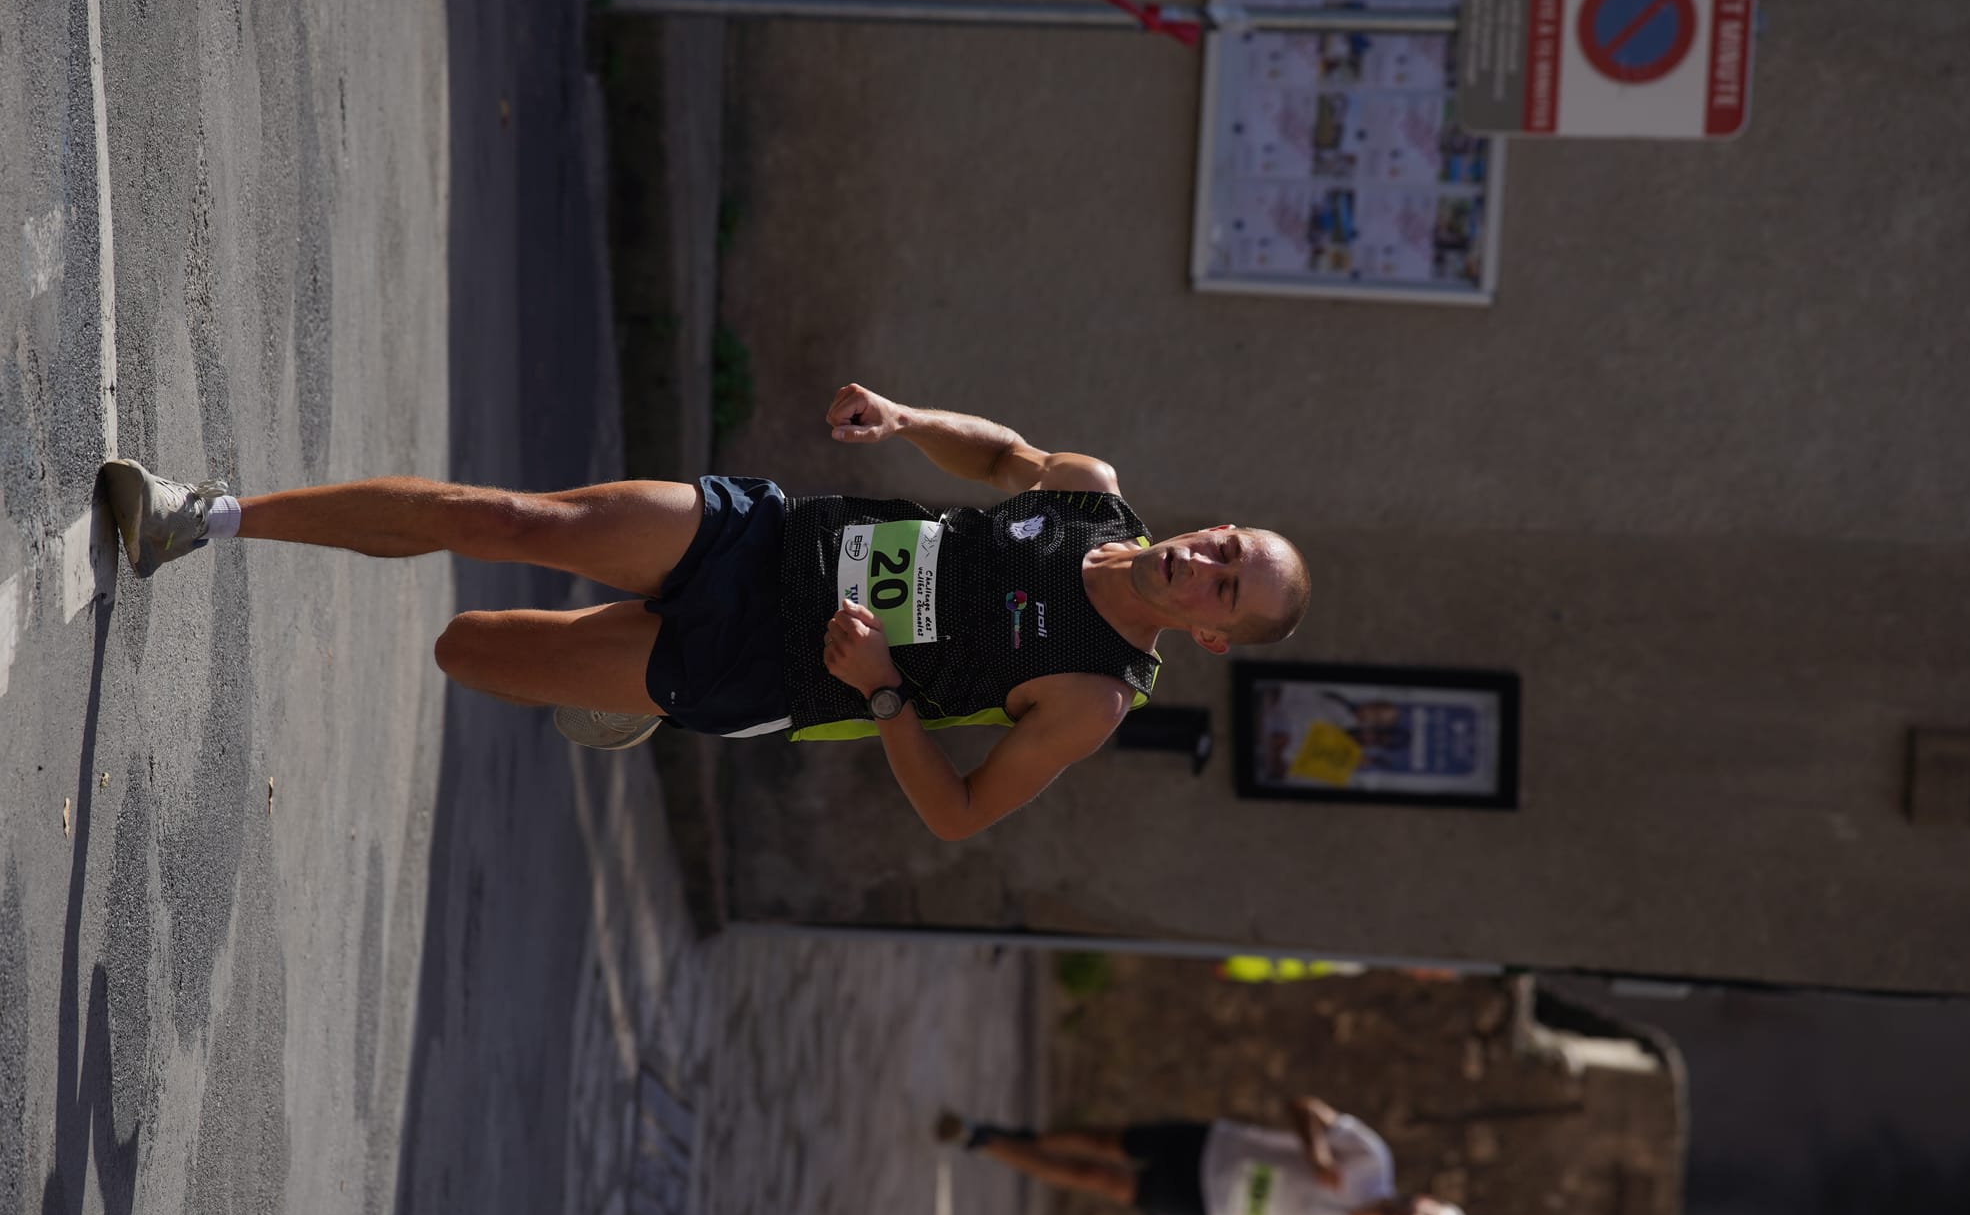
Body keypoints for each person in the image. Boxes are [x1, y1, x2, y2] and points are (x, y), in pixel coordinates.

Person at [97, 383, 1310, 841]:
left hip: (770, 668)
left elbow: (959, 812)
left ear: (1209, 633)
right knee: (514, 520)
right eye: (1228, 544)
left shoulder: (1094, 694)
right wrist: (903, 421)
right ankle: (202, 517)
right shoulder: (1093, 499)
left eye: (1226, 587)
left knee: (465, 649)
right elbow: (1003, 457)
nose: (1208, 559)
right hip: (762, 537)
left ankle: (620, 704)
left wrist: (885, 689)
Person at [935, 1097, 1467, 1215]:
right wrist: (1317, 1151)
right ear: (1426, 1201)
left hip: (1216, 1208)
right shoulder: (1372, 1159)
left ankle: (984, 1141)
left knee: (1097, 1180)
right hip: (1217, 1149)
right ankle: (1034, 1137)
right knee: (1104, 1144)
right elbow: (1305, 1108)